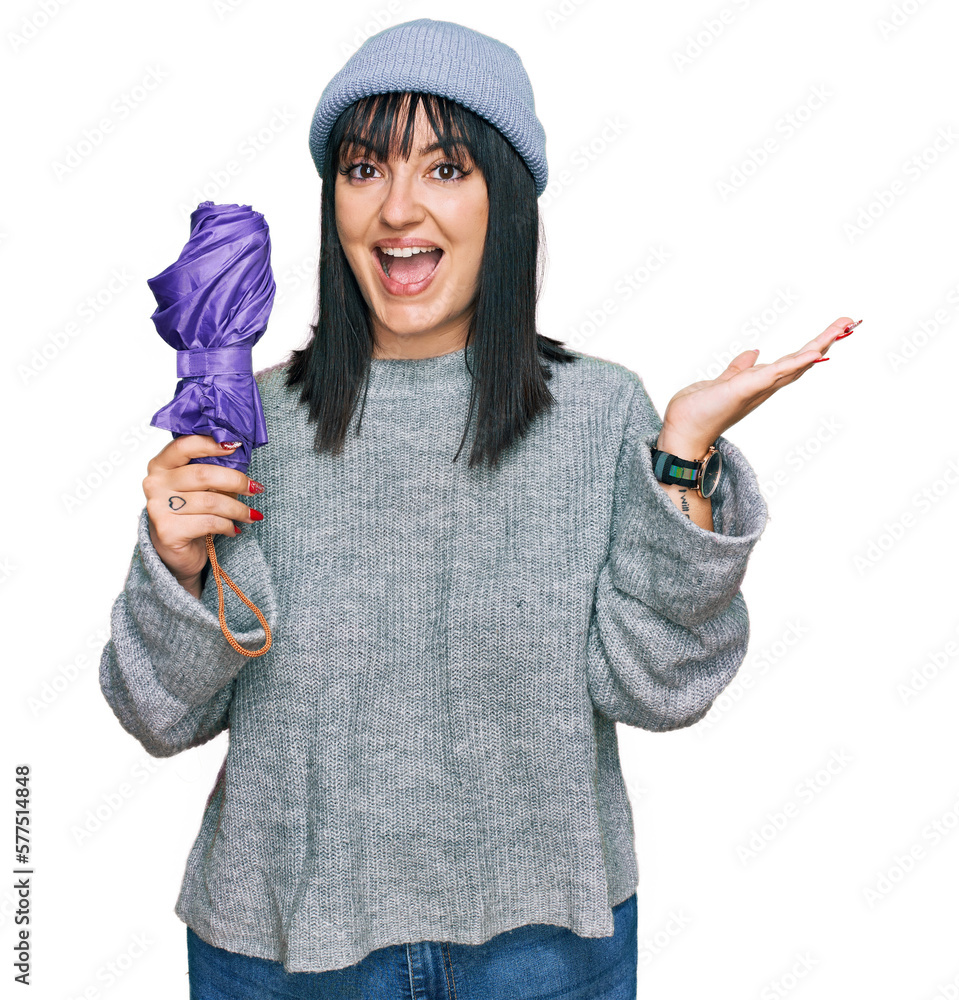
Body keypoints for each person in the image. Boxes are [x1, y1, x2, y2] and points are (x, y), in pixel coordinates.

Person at [99, 18, 858, 1000]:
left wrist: (679, 456)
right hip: (282, 951)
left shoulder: (596, 414)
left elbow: (660, 687)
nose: (397, 207)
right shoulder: (249, 427)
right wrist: (177, 562)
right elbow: (161, 714)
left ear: (506, 198)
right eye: (365, 167)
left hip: (541, 951)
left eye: (445, 168)